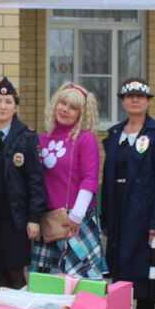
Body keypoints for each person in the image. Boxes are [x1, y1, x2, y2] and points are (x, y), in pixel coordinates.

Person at [101, 78, 155, 309]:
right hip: (118, 212)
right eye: (129, 96)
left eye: (140, 97)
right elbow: (107, 178)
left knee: (144, 271)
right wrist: (105, 215)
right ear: (122, 100)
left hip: (143, 213)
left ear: (147, 101)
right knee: (121, 270)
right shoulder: (116, 132)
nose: (134, 101)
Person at [0, 77, 45, 291]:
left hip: (17, 220)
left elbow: (35, 180)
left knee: (14, 272)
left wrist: (34, 218)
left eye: (8, 102)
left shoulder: (27, 137)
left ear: (15, 107)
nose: (2, 106)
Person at [31, 83, 106, 279]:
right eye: (62, 103)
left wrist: (77, 215)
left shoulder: (85, 139)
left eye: (72, 107)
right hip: (48, 221)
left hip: (76, 220)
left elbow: (90, 178)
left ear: (81, 114)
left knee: (79, 282)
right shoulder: (41, 139)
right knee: (46, 283)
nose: (65, 109)